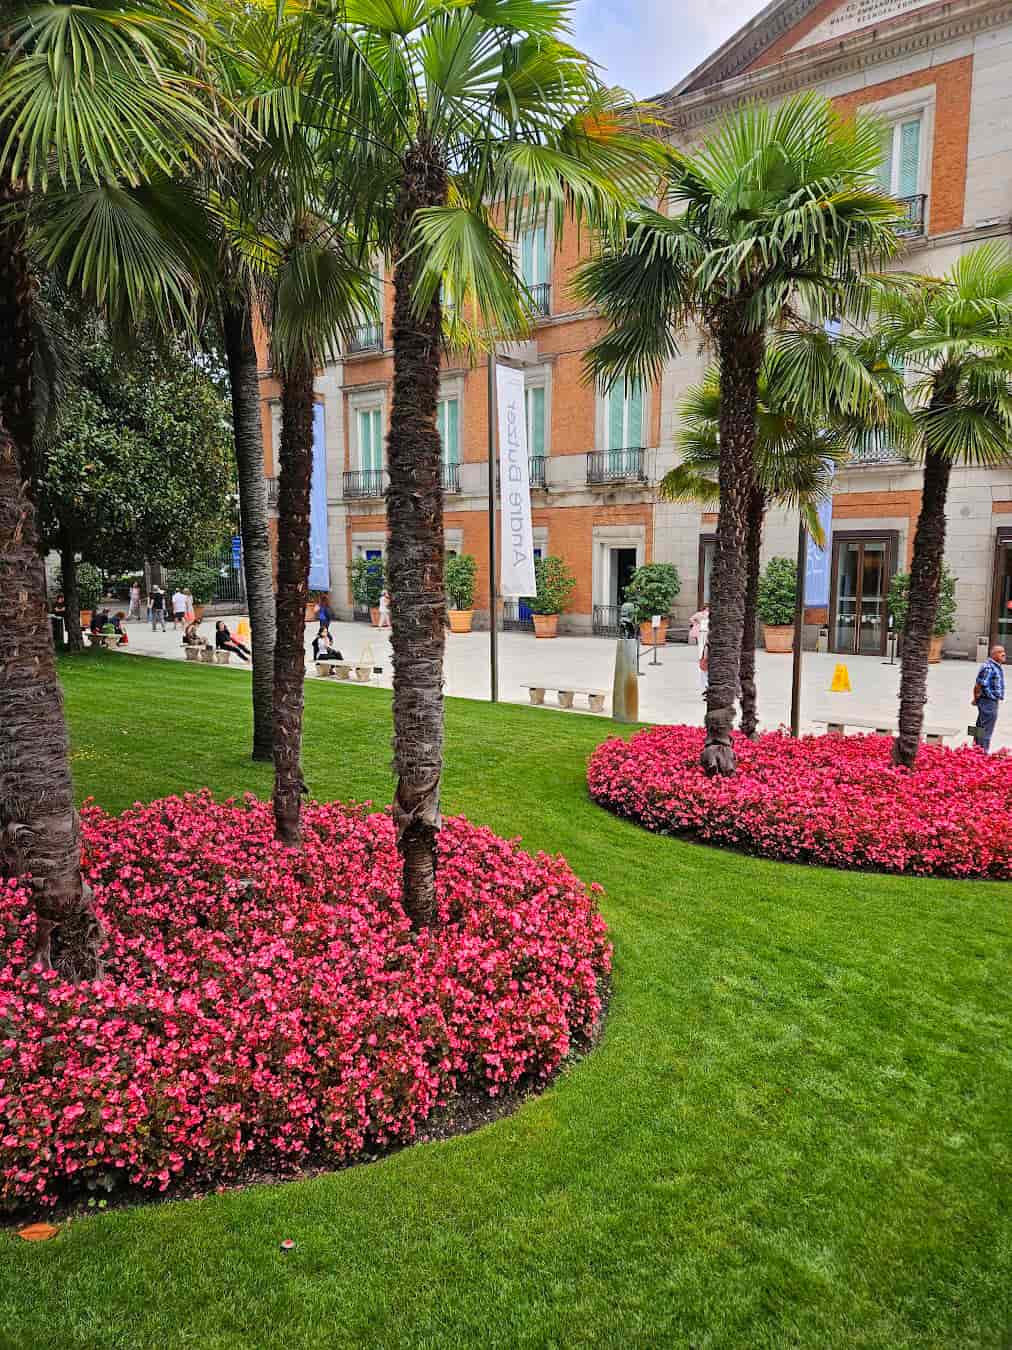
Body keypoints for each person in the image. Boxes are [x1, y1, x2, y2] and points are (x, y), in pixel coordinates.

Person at [972, 644, 1005, 752]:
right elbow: (978, 685)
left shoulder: (995, 666)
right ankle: (982, 752)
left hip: (988, 701)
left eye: (1003, 651)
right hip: (988, 702)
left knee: (980, 726)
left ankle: (975, 749)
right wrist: (976, 699)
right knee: (986, 729)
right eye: (1000, 652)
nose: (1003, 654)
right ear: (993, 654)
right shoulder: (989, 667)